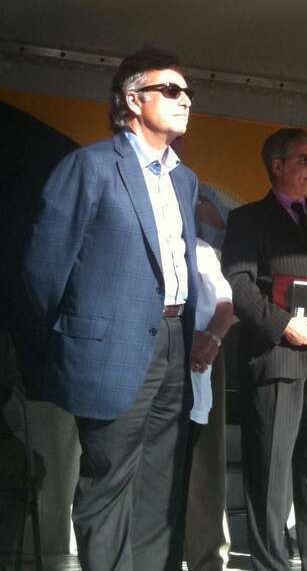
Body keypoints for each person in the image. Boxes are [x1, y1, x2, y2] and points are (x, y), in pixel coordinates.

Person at [22, 48, 199, 571]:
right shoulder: (91, 165)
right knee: (108, 486)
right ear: (132, 99)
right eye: (171, 90)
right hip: (111, 348)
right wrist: (80, 337)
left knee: (160, 486)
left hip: (173, 341)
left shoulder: (183, 179)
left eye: (188, 92)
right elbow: (43, 268)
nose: (185, 99)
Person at [222, 128, 307, 571]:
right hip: (276, 359)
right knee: (270, 479)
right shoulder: (247, 220)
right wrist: (283, 325)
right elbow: (238, 287)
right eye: (305, 160)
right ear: (277, 166)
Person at [183, 235, 235, 571]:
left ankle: (208, 561)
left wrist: (212, 340)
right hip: (156, 357)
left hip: (205, 362)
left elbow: (225, 304)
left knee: (204, 469)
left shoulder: (200, 247)